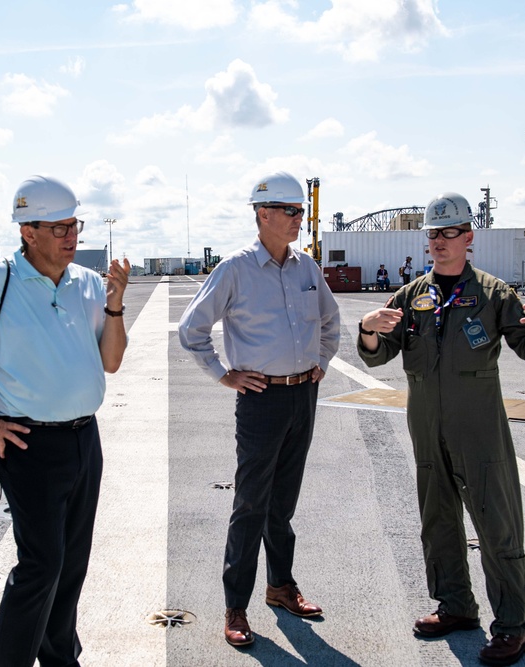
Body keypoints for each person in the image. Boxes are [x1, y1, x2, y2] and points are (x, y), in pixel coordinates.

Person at [356, 192, 525, 667]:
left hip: (479, 432)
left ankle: (513, 627)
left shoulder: (493, 293)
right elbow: (379, 351)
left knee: (497, 527)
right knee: (438, 522)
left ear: (469, 237)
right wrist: (368, 329)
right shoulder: (412, 296)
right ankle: (455, 606)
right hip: (427, 430)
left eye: (450, 233)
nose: (440, 242)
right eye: (433, 234)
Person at [0, 175, 129, 667]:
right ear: (28, 231)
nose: (71, 235)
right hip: (25, 443)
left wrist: (114, 305)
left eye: (75, 225)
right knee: (41, 566)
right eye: (59, 226)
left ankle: (61, 658)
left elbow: (111, 362)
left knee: (71, 567)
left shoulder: (87, 284)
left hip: (85, 438)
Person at [179, 171, 341, 648]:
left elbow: (331, 321)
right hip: (260, 399)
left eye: (300, 212)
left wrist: (322, 362)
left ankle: (280, 587)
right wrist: (224, 373)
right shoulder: (234, 269)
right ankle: (235, 607)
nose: (299, 219)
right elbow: (192, 330)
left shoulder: (307, 268)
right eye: (290, 211)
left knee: (283, 504)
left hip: (301, 396)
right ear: (262, 214)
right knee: (250, 504)